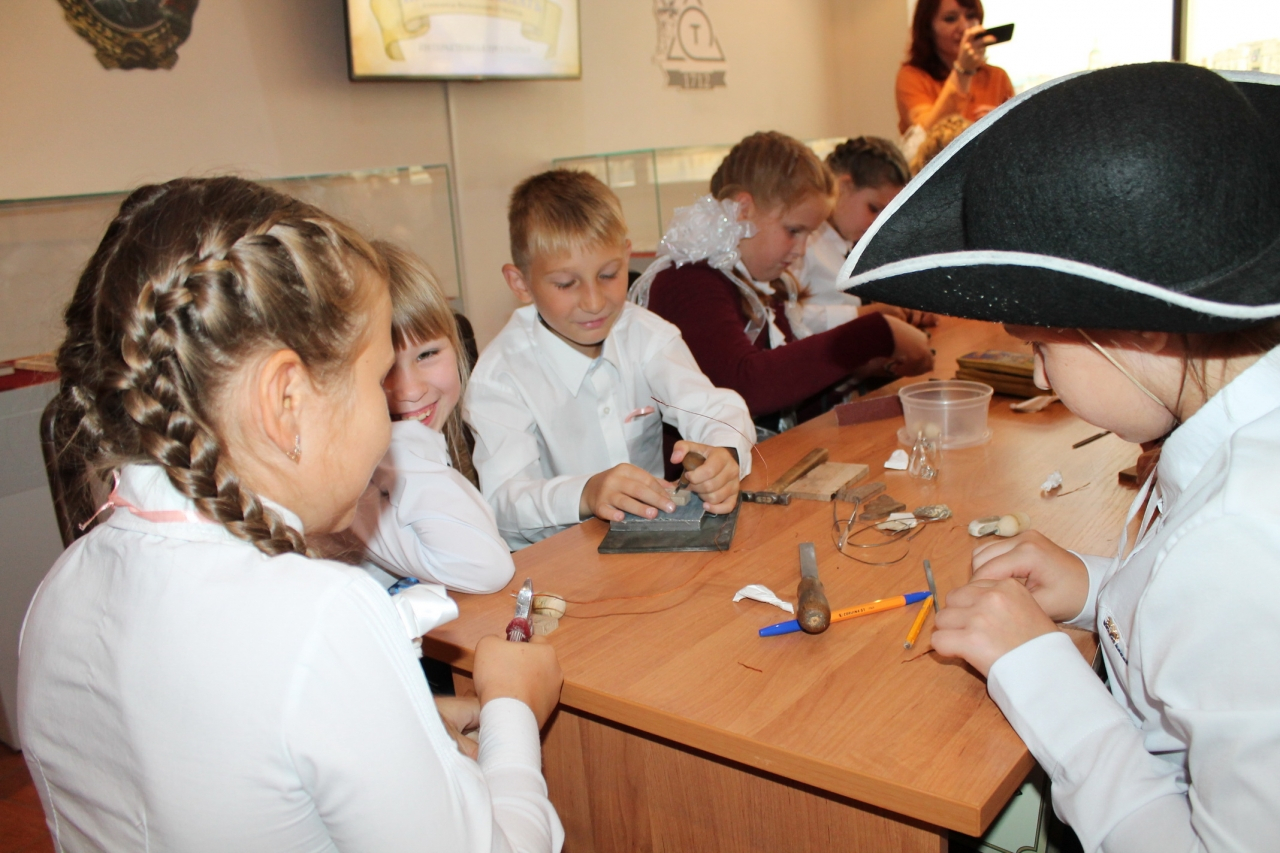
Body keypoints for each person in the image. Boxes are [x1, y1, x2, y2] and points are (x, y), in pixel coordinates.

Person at [19, 177, 565, 852]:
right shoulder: (322, 614)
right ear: (285, 400)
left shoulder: (57, 592)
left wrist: (410, 717)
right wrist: (513, 709)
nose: (391, 413)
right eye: (376, 381)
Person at [840, 63, 1280, 852]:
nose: (1039, 377)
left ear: (1141, 325)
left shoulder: (1242, 541)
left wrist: (1040, 667)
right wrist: (1095, 587)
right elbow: (1219, 648)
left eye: (1041, 347)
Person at [466, 169, 754, 550]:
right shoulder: (499, 377)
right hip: (558, 562)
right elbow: (504, 501)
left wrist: (725, 454)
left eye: (608, 274)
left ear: (627, 256)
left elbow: (716, 408)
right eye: (566, 284)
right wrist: (586, 493)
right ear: (520, 283)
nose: (594, 301)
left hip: (652, 550)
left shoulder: (646, 335)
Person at [634, 131, 933, 434]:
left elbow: (790, 399)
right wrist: (875, 333)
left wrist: (863, 369)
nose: (801, 250)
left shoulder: (762, 281)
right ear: (743, 210)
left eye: (807, 234)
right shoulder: (687, 280)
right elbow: (746, 386)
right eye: (793, 231)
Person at [348, 241, 515, 594]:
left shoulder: (444, 444)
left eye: (427, 354)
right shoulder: (352, 487)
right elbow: (486, 567)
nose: (409, 390)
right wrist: (404, 443)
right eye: (384, 368)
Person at [791, 136, 934, 333]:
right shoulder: (802, 242)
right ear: (843, 188)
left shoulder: (849, 242)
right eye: (873, 208)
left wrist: (905, 306)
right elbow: (786, 317)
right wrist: (862, 314)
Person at [895, 0, 1013, 139]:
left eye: (971, 16)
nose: (965, 28)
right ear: (928, 27)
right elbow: (927, 137)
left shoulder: (997, 76)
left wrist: (1001, 125)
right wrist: (963, 71)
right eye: (950, 19)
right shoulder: (912, 77)